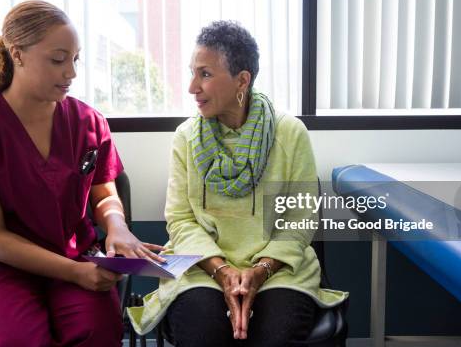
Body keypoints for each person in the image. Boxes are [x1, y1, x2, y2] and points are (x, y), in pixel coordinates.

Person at [0, 0, 163, 347]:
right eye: (58, 60)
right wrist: (75, 272)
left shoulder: (89, 122)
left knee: (96, 334)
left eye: (76, 59)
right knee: (18, 340)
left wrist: (117, 228)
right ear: (17, 54)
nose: (71, 73)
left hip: (77, 258)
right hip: (0, 268)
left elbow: (104, 190)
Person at [127, 21, 348, 346]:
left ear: (242, 80)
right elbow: (181, 220)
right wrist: (223, 271)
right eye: (192, 72)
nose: (192, 87)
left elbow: (300, 220)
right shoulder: (186, 137)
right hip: (200, 268)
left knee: (274, 334)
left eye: (204, 74)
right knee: (203, 331)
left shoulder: (289, 133)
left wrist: (259, 271)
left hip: (278, 271)